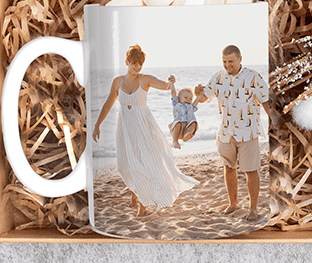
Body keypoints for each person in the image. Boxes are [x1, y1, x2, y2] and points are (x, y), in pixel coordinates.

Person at [92, 44, 198, 216]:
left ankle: (142, 205)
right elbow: (108, 104)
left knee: (144, 162)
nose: (137, 67)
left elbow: (164, 86)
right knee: (125, 163)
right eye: (134, 63)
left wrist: (170, 82)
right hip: (125, 127)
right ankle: (135, 192)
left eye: (140, 64)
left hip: (143, 126)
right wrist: (97, 125)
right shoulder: (117, 82)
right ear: (127, 61)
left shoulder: (145, 79)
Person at [195, 45, 275, 221]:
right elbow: (204, 98)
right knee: (228, 168)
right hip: (225, 132)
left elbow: (266, 101)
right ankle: (233, 204)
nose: (227, 65)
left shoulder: (253, 76)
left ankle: (253, 209)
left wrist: (273, 122)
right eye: (224, 61)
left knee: (250, 170)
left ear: (240, 59)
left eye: (230, 61)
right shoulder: (218, 77)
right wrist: (197, 94)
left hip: (248, 132)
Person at [168, 78, 200, 149]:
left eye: (190, 99)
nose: (188, 100)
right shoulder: (176, 104)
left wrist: (199, 95)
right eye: (185, 98)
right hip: (178, 130)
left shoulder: (191, 107)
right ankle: (175, 141)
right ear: (178, 98)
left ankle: (187, 135)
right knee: (178, 123)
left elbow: (196, 102)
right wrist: (172, 83)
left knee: (194, 123)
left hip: (186, 128)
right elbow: (173, 92)